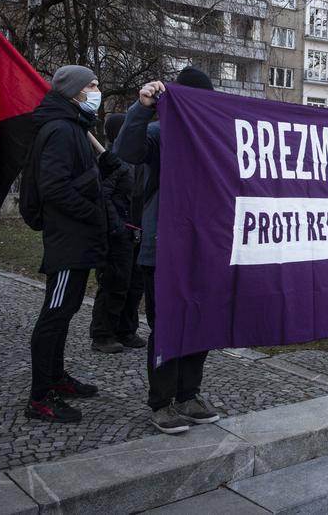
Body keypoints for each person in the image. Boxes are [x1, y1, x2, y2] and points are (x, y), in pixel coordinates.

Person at [116, 68, 221, 434]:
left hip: (205, 249)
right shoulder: (160, 134)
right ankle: (161, 402)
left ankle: (188, 395)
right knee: (167, 327)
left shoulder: (215, 138)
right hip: (162, 250)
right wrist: (141, 108)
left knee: (201, 324)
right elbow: (126, 150)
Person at [24, 65, 106, 423]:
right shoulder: (60, 129)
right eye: (91, 85)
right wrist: (92, 212)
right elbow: (54, 187)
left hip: (78, 238)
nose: (96, 90)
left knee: (65, 311)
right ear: (74, 91)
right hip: (67, 238)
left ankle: (57, 378)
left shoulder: (74, 126)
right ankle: (40, 397)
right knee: (53, 317)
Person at [90, 113, 145, 354]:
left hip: (138, 232)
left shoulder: (138, 158)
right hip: (118, 233)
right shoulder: (111, 160)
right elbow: (104, 196)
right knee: (115, 283)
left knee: (135, 284)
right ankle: (103, 333)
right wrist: (117, 226)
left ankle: (127, 329)